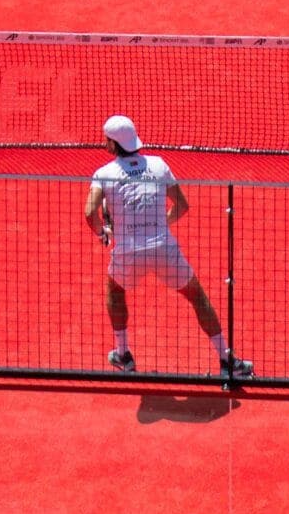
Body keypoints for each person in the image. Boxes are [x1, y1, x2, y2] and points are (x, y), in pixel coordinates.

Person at [86, 114, 253, 386]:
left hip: (127, 252)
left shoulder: (103, 173)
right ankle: (227, 359)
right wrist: (159, 223)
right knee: (197, 296)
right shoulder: (159, 164)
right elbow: (182, 206)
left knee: (115, 291)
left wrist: (102, 233)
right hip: (164, 248)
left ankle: (123, 354)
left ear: (113, 143)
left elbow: (90, 211)